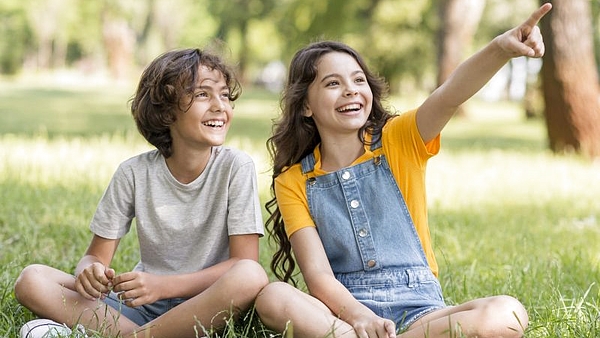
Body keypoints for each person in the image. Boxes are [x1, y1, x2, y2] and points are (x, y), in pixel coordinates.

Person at [255, 3, 552, 338]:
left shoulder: (400, 138)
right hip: (342, 315)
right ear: (306, 105)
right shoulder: (293, 180)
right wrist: (358, 317)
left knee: (507, 312)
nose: (351, 89)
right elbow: (318, 276)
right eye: (333, 83)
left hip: (421, 313)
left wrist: (499, 49)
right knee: (272, 296)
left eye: (358, 79)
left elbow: (450, 95)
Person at [14, 48, 268, 338]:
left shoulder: (236, 167)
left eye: (224, 95)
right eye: (202, 95)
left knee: (251, 276)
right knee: (31, 279)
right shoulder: (133, 173)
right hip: (144, 306)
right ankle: (151, 333)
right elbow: (95, 257)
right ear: (166, 110)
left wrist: (163, 286)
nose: (219, 106)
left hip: (210, 303)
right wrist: (90, 272)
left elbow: (243, 263)